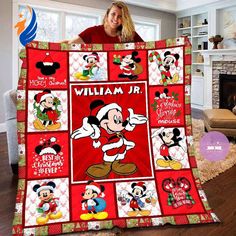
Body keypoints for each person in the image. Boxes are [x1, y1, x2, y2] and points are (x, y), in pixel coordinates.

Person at [63, 1, 143, 44]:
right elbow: (70, 44)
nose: (116, 18)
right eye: (113, 14)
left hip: (121, 73)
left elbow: (147, 49)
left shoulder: (129, 34)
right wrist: (52, 47)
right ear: (107, 14)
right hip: (97, 73)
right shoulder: (93, 32)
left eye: (120, 16)